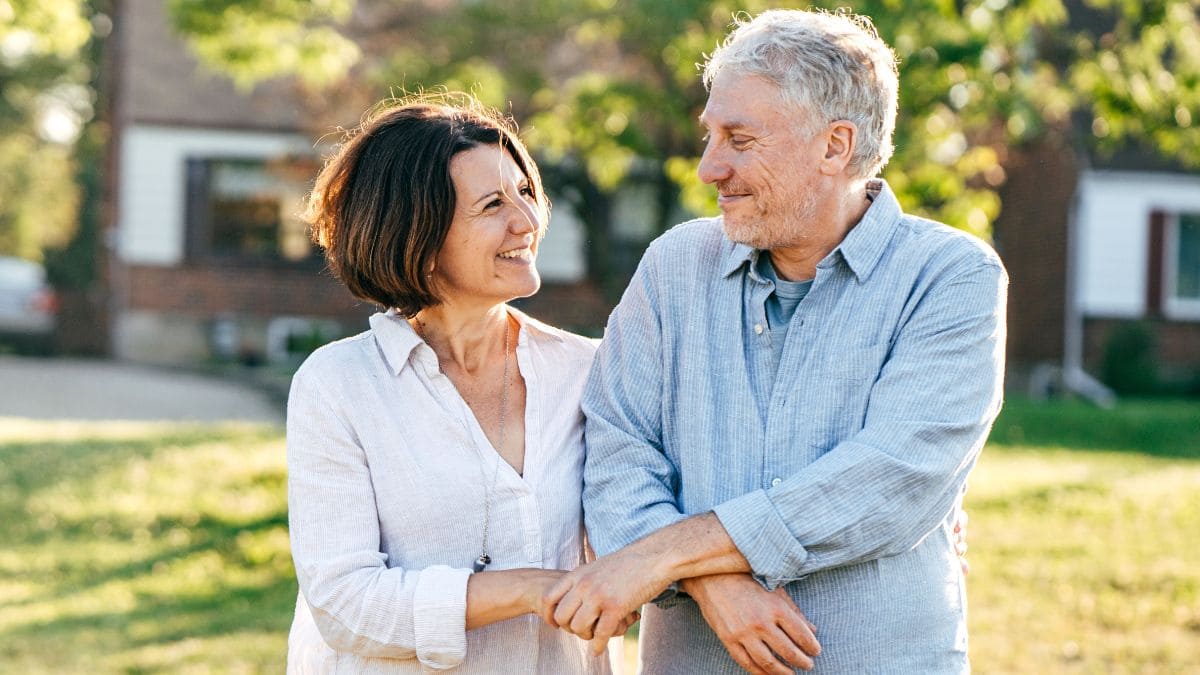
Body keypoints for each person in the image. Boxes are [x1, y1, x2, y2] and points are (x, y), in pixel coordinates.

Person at [543, 8, 1007, 674]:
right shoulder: (675, 265)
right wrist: (713, 581)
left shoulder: (952, 276)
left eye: (739, 138)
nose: (709, 168)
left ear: (834, 147)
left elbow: (892, 478)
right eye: (711, 135)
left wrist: (661, 554)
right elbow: (617, 448)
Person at [285, 95, 632, 673]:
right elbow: (343, 602)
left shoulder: (589, 370)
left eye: (525, 192)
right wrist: (529, 590)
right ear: (416, 233)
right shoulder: (339, 385)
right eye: (492, 204)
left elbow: (637, 521)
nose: (526, 221)